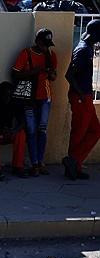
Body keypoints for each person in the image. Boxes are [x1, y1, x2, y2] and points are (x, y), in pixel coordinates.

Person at [12, 28, 57, 177]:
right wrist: (36, 71)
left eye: (47, 44)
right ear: (37, 41)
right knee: (31, 131)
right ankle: (34, 163)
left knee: (42, 130)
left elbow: (53, 77)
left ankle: (40, 161)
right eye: (43, 44)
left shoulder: (51, 55)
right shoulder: (26, 53)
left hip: (45, 97)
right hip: (29, 98)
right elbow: (15, 73)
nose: (45, 47)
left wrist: (50, 73)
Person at [63, 19, 100, 180]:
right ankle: (73, 164)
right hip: (81, 97)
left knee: (95, 130)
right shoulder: (83, 49)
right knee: (79, 132)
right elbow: (69, 75)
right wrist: (80, 95)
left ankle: (74, 161)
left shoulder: (87, 47)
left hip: (85, 96)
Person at [0, 82, 27, 181]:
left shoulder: (15, 103)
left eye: (9, 95)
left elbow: (22, 122)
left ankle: (18, 166)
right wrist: (0, 130)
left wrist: (13, 131)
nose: (7, 97)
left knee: (21, 134)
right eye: (5, 95)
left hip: (7, 133)